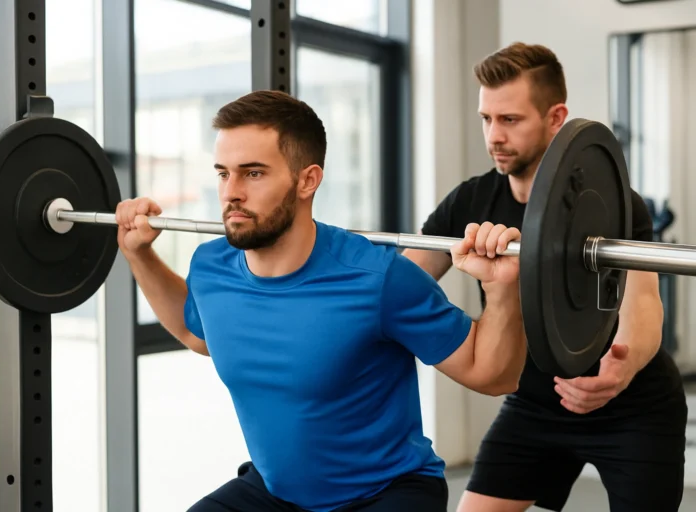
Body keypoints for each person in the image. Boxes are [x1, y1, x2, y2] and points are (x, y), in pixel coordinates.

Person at [115, 89, 527, 512]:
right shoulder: (211, 266)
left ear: (307, 180)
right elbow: (194, 331)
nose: (231, 192)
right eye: (224, 173)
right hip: (276, 493)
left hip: (384, 494)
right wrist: (139, 254)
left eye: (253, 173)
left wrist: (502, 288)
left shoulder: (378, 278)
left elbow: (492, 374)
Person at [402, 42, 688, 512]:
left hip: (633, 406)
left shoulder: (615, 201)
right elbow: (403, 283)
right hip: (534, 403)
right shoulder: (471, 201)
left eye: (510, 120)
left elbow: (643, 303)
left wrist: (623, 367)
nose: (493, 135)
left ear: (556, 118)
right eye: (486, 119)